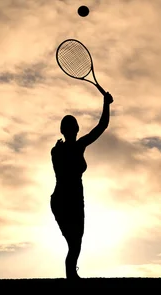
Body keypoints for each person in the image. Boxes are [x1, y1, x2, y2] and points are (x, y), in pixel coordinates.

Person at [50, 91, 114, 279]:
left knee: (75, 243)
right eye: (72, 128)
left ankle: (71, 275)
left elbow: (101, 127)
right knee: (75, 243)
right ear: (72, 130)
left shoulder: (61, 149)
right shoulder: (69, 148)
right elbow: (101, 127)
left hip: (70, 200)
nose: (73, 130)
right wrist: (106, 104)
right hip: (67, 201)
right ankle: (71, 277)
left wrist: (106, 104)